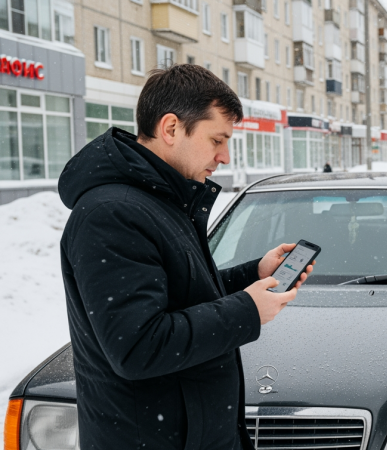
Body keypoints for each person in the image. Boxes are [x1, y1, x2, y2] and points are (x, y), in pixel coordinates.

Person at [58, 64, 314, 450]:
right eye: (217, 140)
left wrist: (252, 275)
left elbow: (182, 294)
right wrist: (247, 310)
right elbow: (139, 346)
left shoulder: (163, 199)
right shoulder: (111, 215)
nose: (225, 156)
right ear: (172, 128)